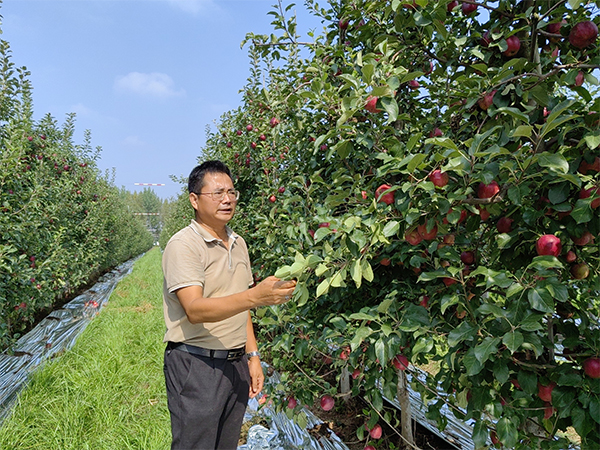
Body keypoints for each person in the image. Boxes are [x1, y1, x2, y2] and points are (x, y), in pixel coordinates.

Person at [162, 160, 296, 450]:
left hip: (234, 364)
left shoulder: (239, 243)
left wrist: (253, 355)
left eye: (232, 192)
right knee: (195, 445)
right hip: (196, 365)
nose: (227, 199)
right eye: (218, 192)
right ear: (194, 200)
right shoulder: (183, 245)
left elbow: (241, 305)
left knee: (226, 444)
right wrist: (255, 297)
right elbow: (194, 310)